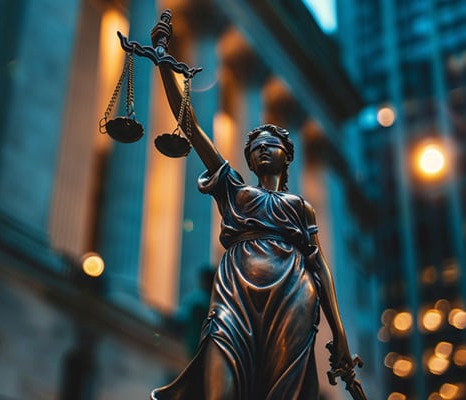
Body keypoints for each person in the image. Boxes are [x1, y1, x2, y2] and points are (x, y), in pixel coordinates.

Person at [149, 23, 356, 400]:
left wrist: (338, 334)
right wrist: (163, 61)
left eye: (270, 144)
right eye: (256, 146)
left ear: (286, 156)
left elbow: (320, 265)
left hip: (292, 297)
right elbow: (191, 127)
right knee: (218, 385)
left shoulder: (299, 207)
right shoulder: (234, 191)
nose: (262, 149)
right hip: (234, 295)